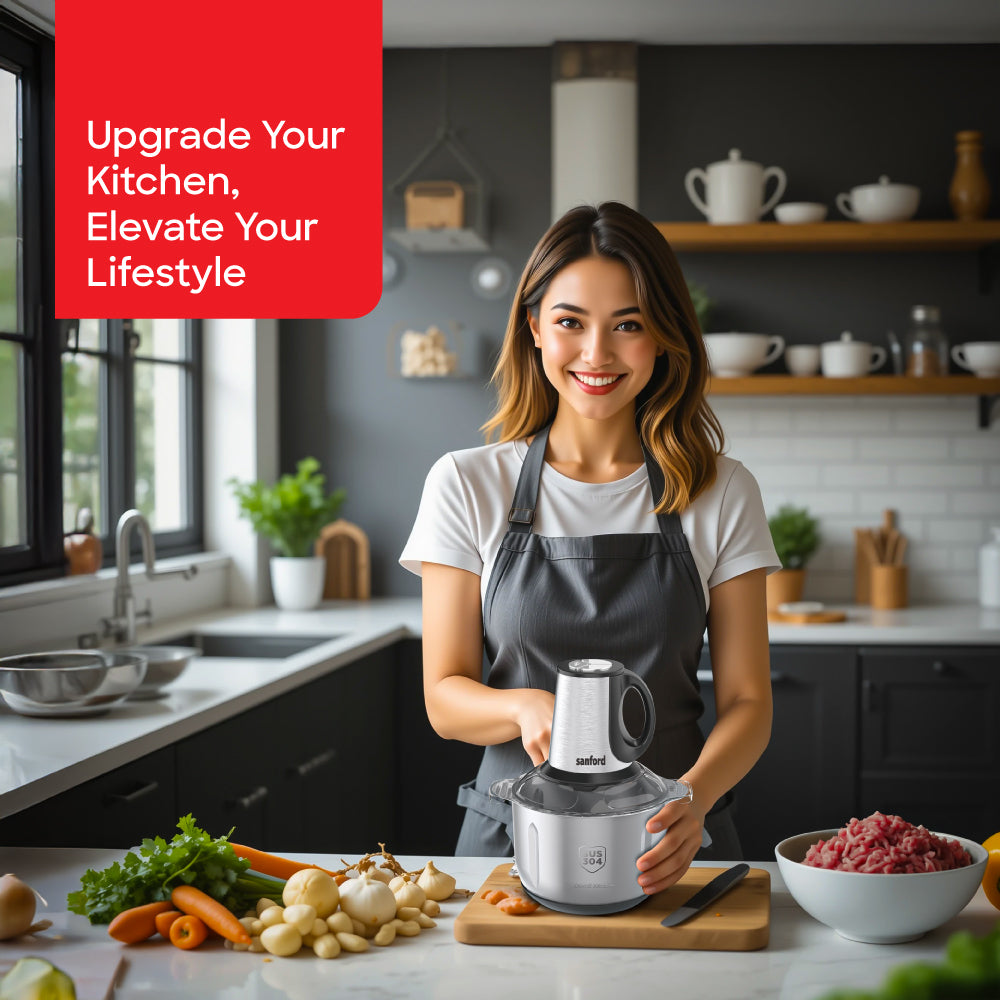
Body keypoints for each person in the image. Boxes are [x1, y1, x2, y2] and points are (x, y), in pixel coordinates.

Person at [400, 202, 779, 896]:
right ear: (535, 328)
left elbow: (751, 702)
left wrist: (691, 799)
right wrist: (522, 708)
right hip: (510, 848)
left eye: (628, 325)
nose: (596, 354)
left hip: (672, 846)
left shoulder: (721, 490)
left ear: (664, 337)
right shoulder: (465, 482)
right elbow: (443, 697)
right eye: (571, 321)